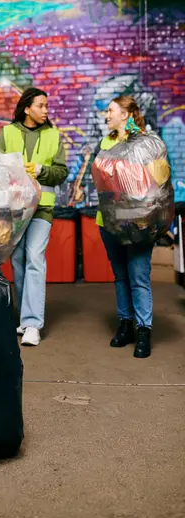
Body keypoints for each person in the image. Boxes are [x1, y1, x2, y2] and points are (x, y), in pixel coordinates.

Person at [0, 87, 68, 346]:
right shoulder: (8, 133)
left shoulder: (53, 136)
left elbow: (61, 173)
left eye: (46, 106)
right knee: (18, 261)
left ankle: (32, 323)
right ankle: (24, 318)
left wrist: (42, 170)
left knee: (34, 258)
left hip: (42, 208)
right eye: (41, 105)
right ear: (27, 107)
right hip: (12, 210)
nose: (45, 111)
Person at [94, 96, 159, 359]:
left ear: (125, 114)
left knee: (139, 277)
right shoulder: (106, 142)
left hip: (138, 222)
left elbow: (158, 180)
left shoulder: (146, 143)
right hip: (108, 221)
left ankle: (144, 330)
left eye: (110, 110)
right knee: (121, 275)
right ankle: (125, 325)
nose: (106, 115)